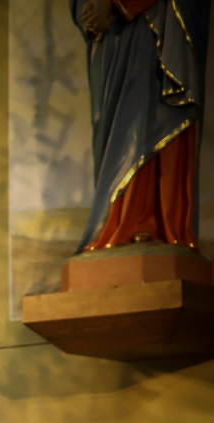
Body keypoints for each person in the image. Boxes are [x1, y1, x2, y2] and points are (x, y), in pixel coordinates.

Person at [72, 0, 208, 253]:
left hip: (159, 23)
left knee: (154, 108)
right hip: (113, 38)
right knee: (115, 123)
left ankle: (153, 221)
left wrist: (118, 3)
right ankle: (116, 221)